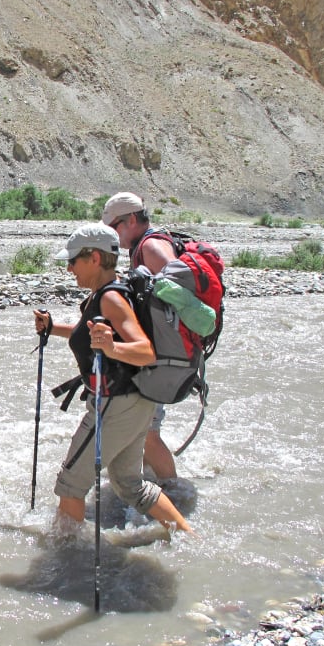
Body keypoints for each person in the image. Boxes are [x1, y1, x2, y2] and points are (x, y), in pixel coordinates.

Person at [33, 223, 191, 532]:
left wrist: (112, 347)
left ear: (94, 258)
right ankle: (189, 537)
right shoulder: (104, 293)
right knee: (129, 484)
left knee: (70, 484)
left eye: (73, 260)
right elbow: (87, 335)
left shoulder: (111, 299)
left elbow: (145, 351)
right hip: (134, 403)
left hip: (116, 406)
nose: (68, 268)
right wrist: (53, 328)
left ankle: (65, 558)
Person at [102, 192, 178, 480]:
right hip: (156, 350)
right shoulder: (146, 246)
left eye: (114, 227)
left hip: (158, 352)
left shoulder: (152, 246)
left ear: (131, 220)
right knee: (145, 428)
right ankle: (152, 482)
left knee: (148, 432)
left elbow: (175, 286)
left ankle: (173, 491)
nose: (114, 235)